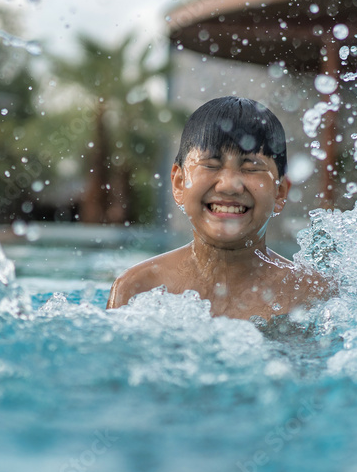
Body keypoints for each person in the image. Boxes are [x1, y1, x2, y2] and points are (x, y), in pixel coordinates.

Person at [107, 97, 332, 320]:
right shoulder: (137, 289)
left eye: (251, 168)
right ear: (179, 183)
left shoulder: (312, 296)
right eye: (210, 165)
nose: (229, 185)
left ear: (280, 191)